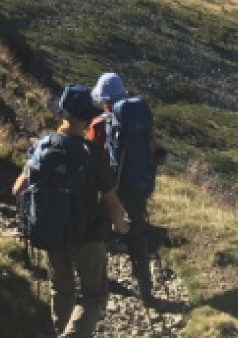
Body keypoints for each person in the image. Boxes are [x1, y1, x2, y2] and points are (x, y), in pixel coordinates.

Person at [14, 84, 129, 338]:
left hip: (51, 231)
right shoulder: (93, 152)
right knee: (94, 295)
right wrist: (122, 227)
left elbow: (17, 189)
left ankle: (60, 331)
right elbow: (110, 200)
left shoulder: (43, 146)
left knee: (61, 288)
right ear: (89, 118)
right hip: (86, 235)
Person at [88, 72, 160, 307]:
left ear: (104, 99)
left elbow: (91, 153)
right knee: (138, 236)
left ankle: (99, 286)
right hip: (137, 186)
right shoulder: (139, 117)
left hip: (111, 188)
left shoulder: (101, 124)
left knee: (100, 234)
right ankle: (146, 291)